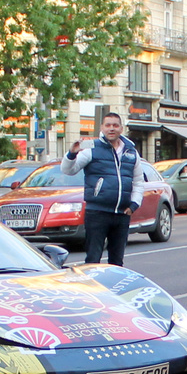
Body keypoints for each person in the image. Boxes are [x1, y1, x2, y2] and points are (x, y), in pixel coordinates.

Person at [61, 111, 141, 266]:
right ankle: (94, 289)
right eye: (108, 125)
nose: (112, 129)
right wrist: (71, 154)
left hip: (122, 214)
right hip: (97, 213)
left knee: (117, 262)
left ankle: (113, 289)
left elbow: (138, 181)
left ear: (121, 128)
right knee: (93, 259)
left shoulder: (130, 151)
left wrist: (133, 205)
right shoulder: (92, 149)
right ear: (102, 128)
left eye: (115, 125)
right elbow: (68, 170)